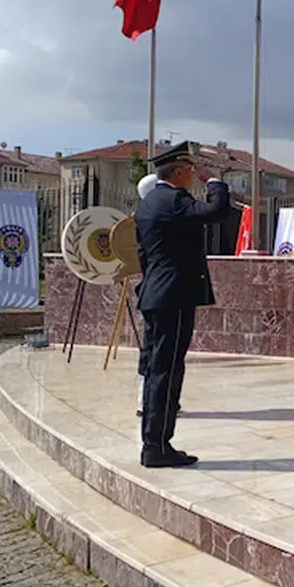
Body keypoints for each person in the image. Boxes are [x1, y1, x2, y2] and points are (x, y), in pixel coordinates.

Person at [134, 142, 231, 468]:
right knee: (167, 370)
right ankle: (157, 446)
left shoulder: (148, 204)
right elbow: (217, 212)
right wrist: (214, 182)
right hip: (172, 297)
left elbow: (144, 256)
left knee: (156, 370)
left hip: (154, 295)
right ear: (177, 171)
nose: (194, 175)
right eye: (190, 170)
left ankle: (154, 442)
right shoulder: (174, 200)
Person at [134, 172, 159, 419]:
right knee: (153, 351)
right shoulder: (156, 217)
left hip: (150, 289)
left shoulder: (142, 217)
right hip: (159, 291)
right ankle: (147, 401)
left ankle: (145, 399)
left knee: (150, 348)